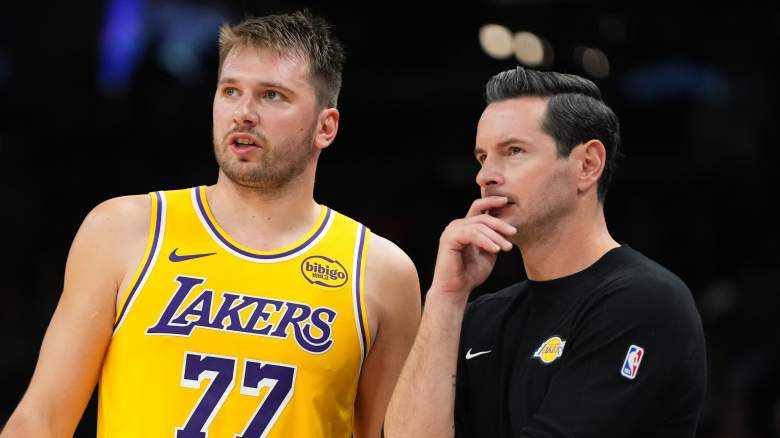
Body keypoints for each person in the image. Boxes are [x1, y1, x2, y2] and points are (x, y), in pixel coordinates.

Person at [2, 10, 420, 438]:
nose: (244, 112)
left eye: (272, 95)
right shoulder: (124, 231)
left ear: (325, 126)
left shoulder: (382, 274)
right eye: (230, 91)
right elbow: (42, 420)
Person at [385, 66, 706, 438]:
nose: (485, 176)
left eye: (513, 151)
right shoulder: (480, 317)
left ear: (588, 165)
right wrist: (446, 298)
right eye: (482, 157)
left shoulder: (645, 303)